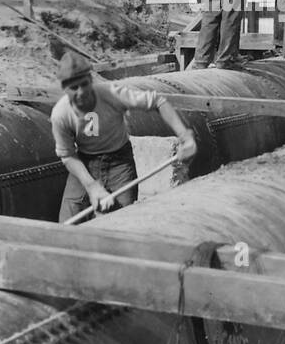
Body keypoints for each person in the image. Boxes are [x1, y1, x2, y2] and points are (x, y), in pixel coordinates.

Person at [51, 52, 197, 223]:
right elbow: (67, 155)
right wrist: (91, 186)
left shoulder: (111, 94)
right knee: (68, 223)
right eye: (74, 88)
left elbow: (157, 101)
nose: (81, 92)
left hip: (119, 164)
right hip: (84, 163)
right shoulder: (61, 114)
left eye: (84, 84)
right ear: (64, 88)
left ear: (90, 79)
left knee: (123, 221)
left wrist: (184, 135)